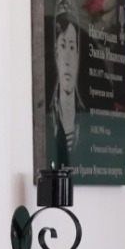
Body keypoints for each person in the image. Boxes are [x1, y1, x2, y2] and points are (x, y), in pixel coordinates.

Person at [47, 11, 87, 167]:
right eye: (63, 46)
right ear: (56, 52)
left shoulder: (87, 119)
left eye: (72, 47)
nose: (67, 60)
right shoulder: (48, 116)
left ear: (77, 54)